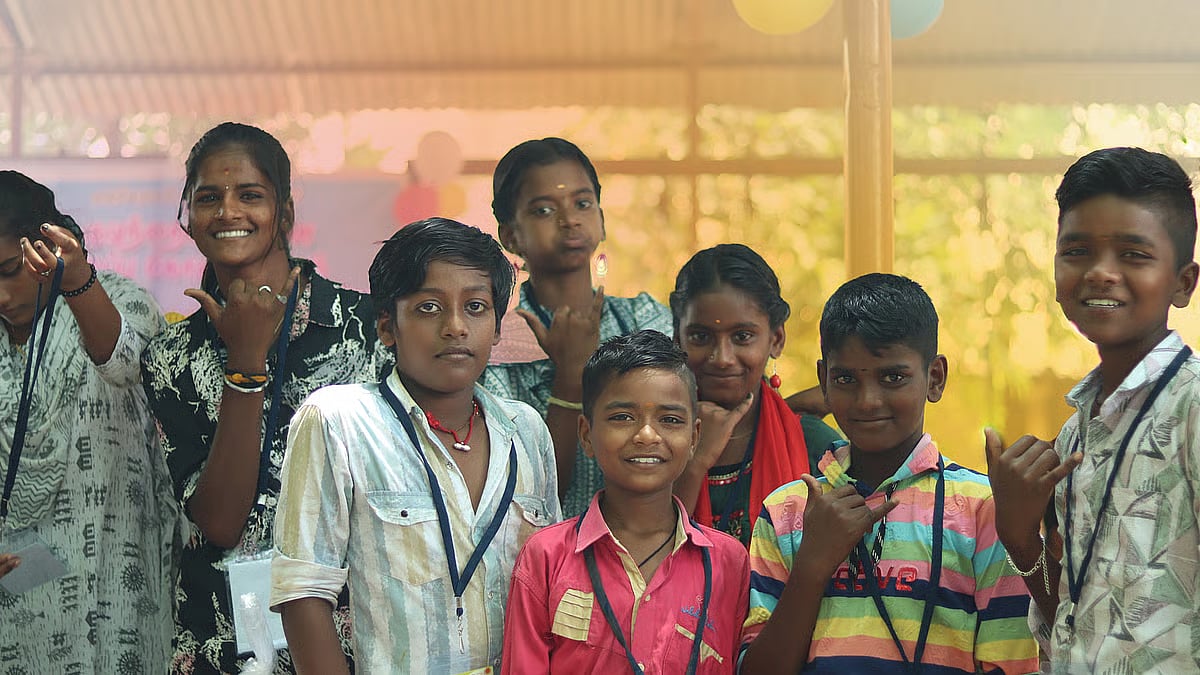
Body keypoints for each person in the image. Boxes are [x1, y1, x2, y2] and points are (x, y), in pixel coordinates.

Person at [141, 122, 385, 674]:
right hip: (222, 640)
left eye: (250, 195)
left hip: (353, 634)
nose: (228, 211)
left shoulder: (365, 327)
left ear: (286, 212)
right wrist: (245, 366)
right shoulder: (170, 357)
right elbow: (220, 523)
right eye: (208, 198)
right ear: (189, 220)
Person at [271, 217, 560, 674]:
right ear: (388, 326)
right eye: (429, 308)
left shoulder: (525, 430)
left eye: (477, 307)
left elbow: (551, 586)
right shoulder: (340, 421)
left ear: (498, 329)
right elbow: (303, 592)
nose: (456, 327)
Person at [740, 273, 1038, 674]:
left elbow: (1012, 663)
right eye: (845, 378)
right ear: (824, 379)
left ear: (934, 378)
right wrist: (812, 564)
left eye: (892, 377)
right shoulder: (786, 511)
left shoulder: (984, 510)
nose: (868, 401)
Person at [986, 147, 1200, 672]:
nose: (1101, 273)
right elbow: (1073, 617)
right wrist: (1017, 534)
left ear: (1182, 283)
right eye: (1077, 251)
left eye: (1134, 254)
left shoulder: (1192, 409)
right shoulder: (1076, 432)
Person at [0, 171, 177, 673]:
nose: (2, 295)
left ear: (47, 246)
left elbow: (120, 362)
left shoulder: (122, 301)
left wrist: (78, 283)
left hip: (111, 595)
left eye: (11, 269)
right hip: (14, 610)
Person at [502, 329, 749, 673]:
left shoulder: (727, 563)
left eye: (669, 420)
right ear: (587, 435)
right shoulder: (547, 557)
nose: (647, 434)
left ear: (694, 438)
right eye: (622, 417)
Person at [480, 137, 674, 518]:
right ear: (510, 236)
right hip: (542, 560)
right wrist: (570, 376)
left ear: (601, 219)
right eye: (544, 210)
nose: (570, 220)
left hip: (648, 552)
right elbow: (529, 494)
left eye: (583, 204)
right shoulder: (498, 346)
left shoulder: (646, 321)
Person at [670, 244, 841, 546]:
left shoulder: (818, 448)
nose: (722, 357)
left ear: (776, 339)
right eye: (700, 336)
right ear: (676, 338)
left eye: (742, 337)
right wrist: (694, 464)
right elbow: (637, 565)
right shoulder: (652, 442)